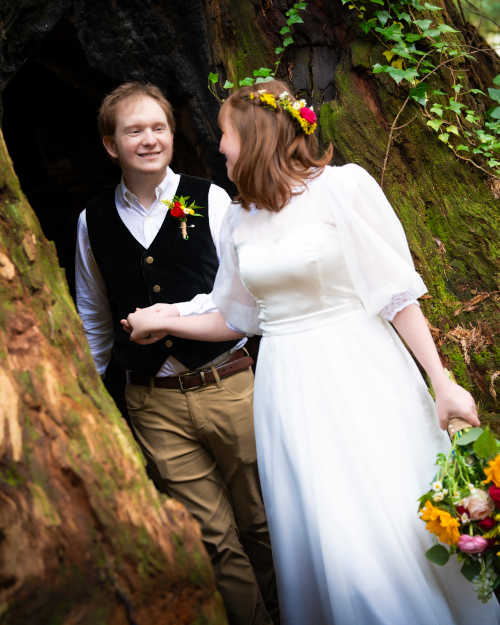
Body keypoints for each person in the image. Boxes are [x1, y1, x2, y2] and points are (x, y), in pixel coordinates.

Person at [122, 79, 500, 625]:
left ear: (253, 136)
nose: (220, 146)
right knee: (331, 528)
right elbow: (234, 315)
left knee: (395, 509)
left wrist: (442, 383)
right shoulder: (238, 218)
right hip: (288, 388)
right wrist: (169, 317)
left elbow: (395, 293)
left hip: (362, 370)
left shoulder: (342, 188)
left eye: (226, 134)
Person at [75, 82, 278, 625]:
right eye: (133, 130)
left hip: (229, 387)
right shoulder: (91, 220)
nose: (149, 139)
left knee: (262, 521)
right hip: (154, 401)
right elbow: (94, 317)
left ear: (172, 134)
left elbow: (235, 296)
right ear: (110, 145)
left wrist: (168, 318)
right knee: (213, 538)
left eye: (158, 127)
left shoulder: (209, 197)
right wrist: (94, 400)